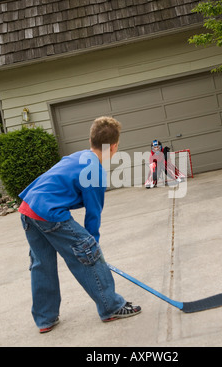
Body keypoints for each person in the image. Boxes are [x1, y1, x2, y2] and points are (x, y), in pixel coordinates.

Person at [18, 116, 141, 333]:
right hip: (49, 212)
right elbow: (93, 215)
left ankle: (45, 318)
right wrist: (92, 246)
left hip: (29, 208)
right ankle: (112, 306)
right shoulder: (95, 171)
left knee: (41, 264)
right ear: (113, 147)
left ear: (92, 139)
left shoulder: (78, 156)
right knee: (88, 251)